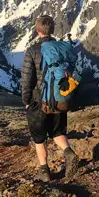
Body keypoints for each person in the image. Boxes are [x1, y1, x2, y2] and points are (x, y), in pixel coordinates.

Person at [21, 15, 78, 182]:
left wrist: (26, 101)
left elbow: (27, 79)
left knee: (39, 138)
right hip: (58, 97)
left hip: (38, 100)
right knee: (57, 131)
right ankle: (68, 152)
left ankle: (44, 171)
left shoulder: (32, 51)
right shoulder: (61, 48)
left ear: (38, 30)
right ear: (52, 30)